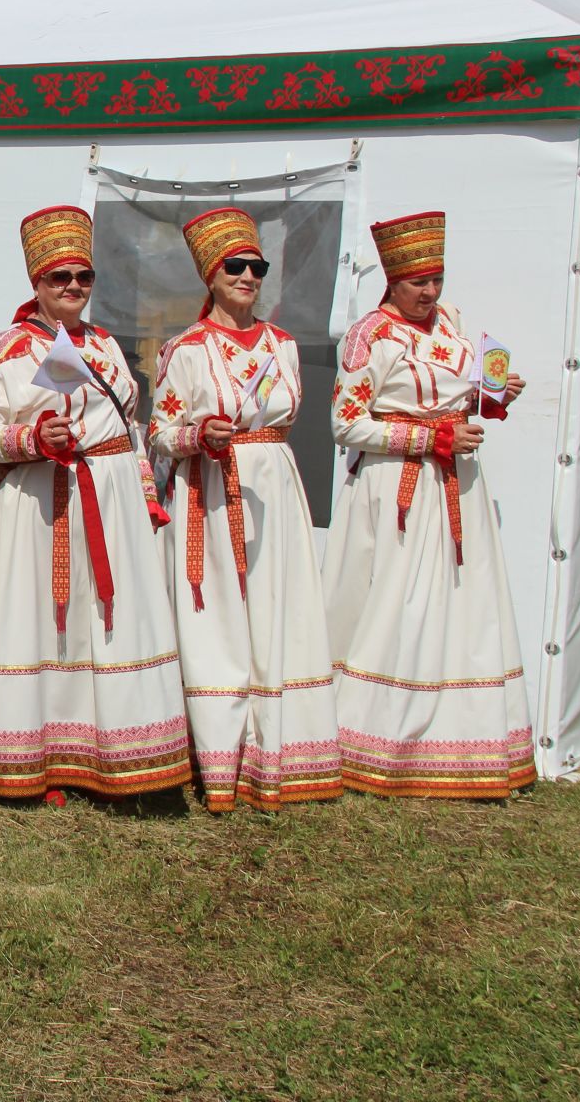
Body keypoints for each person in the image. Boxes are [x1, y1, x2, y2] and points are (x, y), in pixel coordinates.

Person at [0, 206, 190, 802]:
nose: (74, 288)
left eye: (84, 277)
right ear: (36, 283)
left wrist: (144, 495)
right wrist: (30, 439)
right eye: (61, 278)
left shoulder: (105, 344)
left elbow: (130, 427)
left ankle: (107, 752)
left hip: (109, 504)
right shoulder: (9, 347)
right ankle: (39, 756)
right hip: (36, 504)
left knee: (98, 623)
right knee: (42, 625)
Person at [325, 211, 533, 798]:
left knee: (461, 603)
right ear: (393, 279)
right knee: (398, 603)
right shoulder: (373, 337)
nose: (431, 291)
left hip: (457, 481)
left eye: (437, 278)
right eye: (419, 282)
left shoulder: (452, 323)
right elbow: (344, 423)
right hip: (398, 486)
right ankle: (372, 742)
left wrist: (495, 395)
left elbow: (465, 394)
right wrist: (426, 438)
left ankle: (461, 735)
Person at [147, 207, 341, 812]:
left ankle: (279, 756)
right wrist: (198, 435)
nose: (248, 276)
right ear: (211, 274)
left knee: (278, 609)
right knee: (218, 620)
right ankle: (218, 763)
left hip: (273, 484)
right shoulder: (186, 349)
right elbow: (158, 432)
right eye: (236, 266)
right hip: (211, 484)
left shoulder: (283, 346)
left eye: (256, 267)